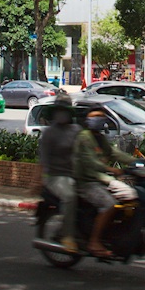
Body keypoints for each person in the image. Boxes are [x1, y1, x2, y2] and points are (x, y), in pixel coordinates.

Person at [73, 110, 136, 258]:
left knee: (128, 197)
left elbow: (114, 153)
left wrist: (136, 162)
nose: (99, 120)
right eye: (95, 117)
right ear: (88, 121)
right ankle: (94, 242)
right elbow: (90, 161)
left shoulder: (99, 138)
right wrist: (110, 169)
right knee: (108, 204)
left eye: (101, 117)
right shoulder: (84, 138)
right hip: (86, 181)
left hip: (100, 179)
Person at [38, 92, 81, 252]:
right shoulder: (49, 133)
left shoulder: (77, 130)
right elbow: (43, 160)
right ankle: (67, 236)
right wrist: (38, 181)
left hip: (75, 175)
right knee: (70, 197)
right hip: (55, 177)